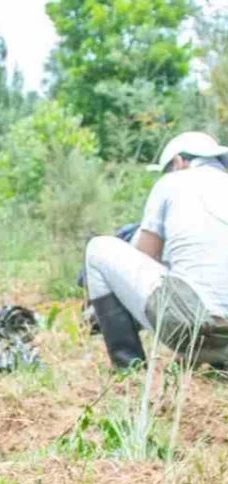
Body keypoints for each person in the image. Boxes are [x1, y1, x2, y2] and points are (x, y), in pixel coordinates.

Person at [85, 131, 228, 369]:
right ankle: (211, 357)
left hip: (192, 326)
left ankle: (129, 366)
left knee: (97, 248)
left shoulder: (172, 182)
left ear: (178, 162)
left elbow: (146, 256)